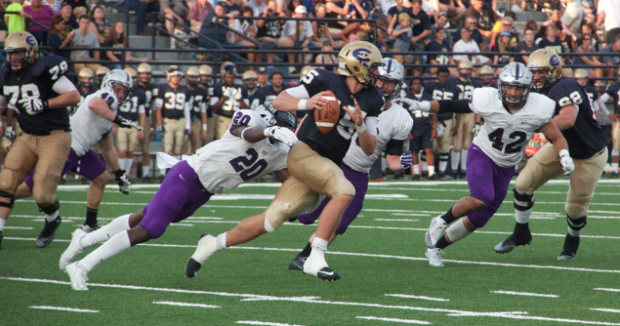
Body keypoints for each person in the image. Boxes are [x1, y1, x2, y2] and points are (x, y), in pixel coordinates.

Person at [184, 41, 385, 281]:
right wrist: (307, 104)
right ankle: (315, 257)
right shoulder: (324, 79)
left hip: (325, 164)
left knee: (271, 220)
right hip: (304, 152)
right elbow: (280, 101)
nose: (377, 73)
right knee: (344, 191)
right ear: (357, 66)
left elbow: (369, 148)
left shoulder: (373, 98)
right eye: (373, 67)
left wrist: (360, 124)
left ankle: (211, 244)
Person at [63, 104, 297, 290]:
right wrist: (269, 131)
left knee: (147, 215)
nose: (280, 132)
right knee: (152, 228)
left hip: (204, 192)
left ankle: (83, 240)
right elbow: (244, 133)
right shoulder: (252, 120)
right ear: (270, 120)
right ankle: (82, 266)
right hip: (188, 174)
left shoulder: (280, 153)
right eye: (280, 125)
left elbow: (289, 181)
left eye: (285, 128)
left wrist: (296, 205)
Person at [400, 62, 574, 267]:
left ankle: (435, 249)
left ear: (527, 90)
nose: (513, 92)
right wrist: (423, 106)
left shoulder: (538, 108)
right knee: (483, 196)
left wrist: (564, 155)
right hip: (482, 154)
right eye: (509, 86)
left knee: (478, 220)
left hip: (506, 166)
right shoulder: (489, 100)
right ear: (501, 86)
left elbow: (556, 136)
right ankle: (441, 220)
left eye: (518, 87)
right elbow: (454, 105)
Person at [287, 58, 413, 270]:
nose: (387, 86)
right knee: (305, 215)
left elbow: (391, 162)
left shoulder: (402, 118)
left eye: (392, 82)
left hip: (359, 172)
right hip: (334, 162)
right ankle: (285, 213)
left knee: (343, 220)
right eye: (383, 80)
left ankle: (306, 257)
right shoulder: (354, 98)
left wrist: (402, 163)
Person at [494, 49, 608, 260]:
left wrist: (529, 126)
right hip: (560, 146)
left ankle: (571, 242)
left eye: (542, 72)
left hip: (588, 153)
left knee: (575, 208)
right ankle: (520, 233)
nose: (536, 77)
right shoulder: (531, 91)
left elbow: (567, 119)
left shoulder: (565, 86)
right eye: (533, 72)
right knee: (523, 184)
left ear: (554, 71)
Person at [15, 69, 138, 239]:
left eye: (125, 91)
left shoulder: (110, 111)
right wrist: (119, 120)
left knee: (102, 177)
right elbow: (95, 105)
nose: (121, 94)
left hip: (79, 151)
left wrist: (119, 174)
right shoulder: (104, 95)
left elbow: (108, 149)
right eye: (118, 89)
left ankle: (90, 224)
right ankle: (4, 196)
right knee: (29, 189)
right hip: (66, 147)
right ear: (108, 86)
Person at [0, 32, 80, 249]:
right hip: (26, 135)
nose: (14, 58)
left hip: (55, 136)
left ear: (32, 51)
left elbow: (74, 96)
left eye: (18, 53)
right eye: (11, 54)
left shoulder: (44, 68)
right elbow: (2, 103)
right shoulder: (5, 73)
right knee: (5, 182)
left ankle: (53, 219)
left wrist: (45, 104)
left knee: (42, 194)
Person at [424, 67, 461, 178]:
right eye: (441, 76)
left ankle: (442, 172)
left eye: (445, 76)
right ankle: (426, 171)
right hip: (432, 121)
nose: (443, 79)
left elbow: (458, 109)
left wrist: (457, 125)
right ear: (437, 77)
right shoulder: (430, 87)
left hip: (447, 120)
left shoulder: (454, 89)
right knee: (429, 146)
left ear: (448, 77)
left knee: (444, 147)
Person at [450, 60, 482, 179]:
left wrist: (477, 122)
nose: (465, 72)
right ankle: (454, 170)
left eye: (468, 69)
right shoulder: (453, 84)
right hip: (456, 113)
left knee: (467, 142)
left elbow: (478, 104)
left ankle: (463, 169)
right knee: (456, 143)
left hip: (470, 113)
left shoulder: (476, 85)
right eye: (463, 69)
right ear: (459, 70)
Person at [155, 65, 193, 158]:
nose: (176, 78)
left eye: (178, 76)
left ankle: (175, 171)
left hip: (181, 121)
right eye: (174, 76)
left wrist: (188, 127)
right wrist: (160, 125)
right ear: (169, 77)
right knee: (167, 149)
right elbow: (158, 109)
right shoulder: (163, 89)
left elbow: (187, 110)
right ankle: (164, 172)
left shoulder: (185, 90)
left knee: (178, 149)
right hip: (168, 121)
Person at [115, 67, 146, 176]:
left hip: (134, 124)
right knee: (122, 151)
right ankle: (120, 174)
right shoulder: (117, 91)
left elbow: (142, 112)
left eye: (133, 77)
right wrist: (114, 125)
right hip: (121, 125)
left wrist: (141, 127)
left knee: (130, 151)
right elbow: (113, 109)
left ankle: (126, 174)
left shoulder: (139, 92)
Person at [407, 76, 437, 180]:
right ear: (411, 85)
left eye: (419, 83)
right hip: (414, 127)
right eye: (415, 83)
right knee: (414, 151)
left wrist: (434, 127)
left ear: (422, 85)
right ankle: (416, 173)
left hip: (426, 126)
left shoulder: (428, 97)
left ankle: (431, 173)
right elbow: (404, 116)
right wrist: (408, 131)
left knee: (429, 149)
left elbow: (433, 113)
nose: (417, 85)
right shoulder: (408, 97)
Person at [210, 62, 249, 140]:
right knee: (222, 141)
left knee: (237, 142)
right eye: (228, 77)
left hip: (237, 120)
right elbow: (214, 108)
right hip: (223, 119)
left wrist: (239, 99)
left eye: (232, 77)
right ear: (224, 77)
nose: (230, 79)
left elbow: (247, 109)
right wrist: (224, 97)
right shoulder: (217, 88)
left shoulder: (242, 89)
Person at [135, 63, 158, 182]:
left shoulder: (152, 89)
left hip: (146, 119)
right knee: (127, 149)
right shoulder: (133, 88)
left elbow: (154, 109)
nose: (145, 76)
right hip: (132, 118)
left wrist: (154, 126)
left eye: (147, 73)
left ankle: (145, 175)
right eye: (143, 73)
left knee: (145, 149)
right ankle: (126, 174)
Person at [598, 69, 620, 177]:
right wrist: (608, 114)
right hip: (618, 120)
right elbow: (601, 100)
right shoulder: (615, 86)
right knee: (616, 145)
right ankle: (614, 170)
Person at [184, 67, 208, 155]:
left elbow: (203, 110)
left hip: (197, 122)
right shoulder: (183, 90)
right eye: (192, 77)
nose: (194, 80)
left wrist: (204, 128)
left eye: (196, 77)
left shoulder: (202, 91)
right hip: (184, 121)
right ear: (187, 77)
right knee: (184, 147)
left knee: (197, 148)